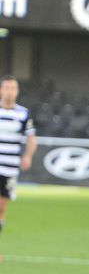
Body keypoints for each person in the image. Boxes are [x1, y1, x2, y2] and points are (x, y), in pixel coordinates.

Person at [0, 75, 36, 235]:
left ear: (17, 91)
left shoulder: (23, 113)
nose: (9, 92)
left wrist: (28, 156)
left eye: (12, 88)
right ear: (1, 90)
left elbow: (31, 137)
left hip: (10, 166)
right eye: (6, 88)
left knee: (1, 208)